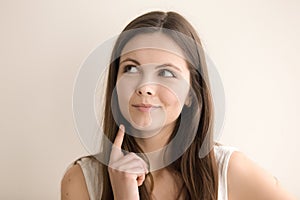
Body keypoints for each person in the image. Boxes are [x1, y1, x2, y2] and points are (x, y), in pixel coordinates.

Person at [61, 11, 296, 200]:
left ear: (191, 93)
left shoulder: (229, 171)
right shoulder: (82, 180)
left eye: (166, 72)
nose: (145, 87)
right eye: (131, 68)